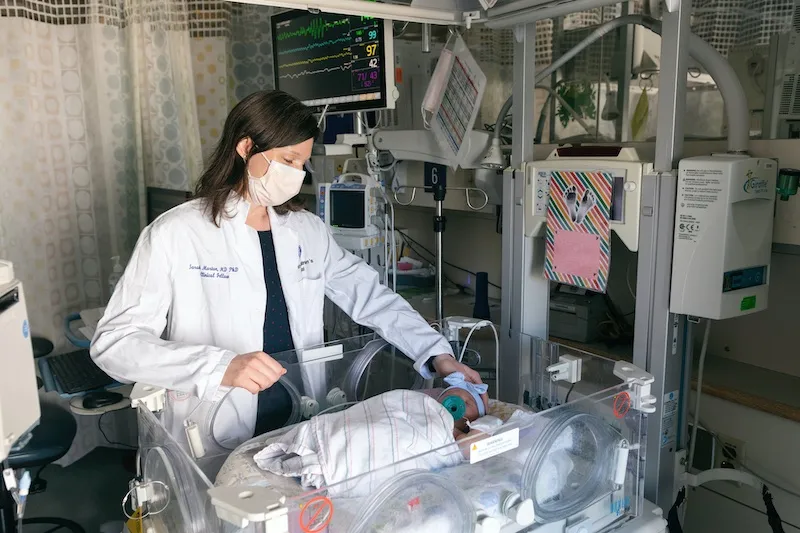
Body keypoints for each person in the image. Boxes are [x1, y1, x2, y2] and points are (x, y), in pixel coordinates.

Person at [90, 90, 485, 448]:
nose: (298, 173)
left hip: (300, 423)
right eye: (288, 160)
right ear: (246, 148)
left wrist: (434, 353)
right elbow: (115, 343)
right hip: (208, 427)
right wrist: (218, 366)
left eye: (302, 162)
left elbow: (371, 297)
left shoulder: (306, 231)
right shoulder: (177, 233)